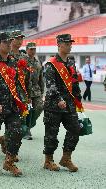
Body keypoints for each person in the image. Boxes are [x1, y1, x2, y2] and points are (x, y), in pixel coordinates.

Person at [0, 32, 28, 176]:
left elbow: (17, 83)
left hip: (12, 105)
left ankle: (9, 161)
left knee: (17, 132)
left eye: (10, 42)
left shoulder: (13, 62)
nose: (9, 44)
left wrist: (22, 100)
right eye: (5, 42)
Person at [43, 34, 82, 172]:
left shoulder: (71, 62)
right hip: (54, 105)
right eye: (67, 43)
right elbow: (50, 85)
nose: (70, 45)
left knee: (75, 128)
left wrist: (78, 100)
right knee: (51, 134)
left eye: (70, 43)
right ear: (59, 44)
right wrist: (59, 99)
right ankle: (48, 160)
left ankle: (66, 158)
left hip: (69, 104)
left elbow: (74, 82)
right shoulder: (51, 64)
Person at [24, 42, 44, 140]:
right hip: (25, 90)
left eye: (34, 49)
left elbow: (41, 77)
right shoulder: (23, 60)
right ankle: (25, 130)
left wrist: (42, 90)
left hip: (36, 90)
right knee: (26, 111)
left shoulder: (38, 61)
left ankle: (29, 125)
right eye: (31, 49)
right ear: (27, 50)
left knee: (39, 107)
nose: (32, 51)